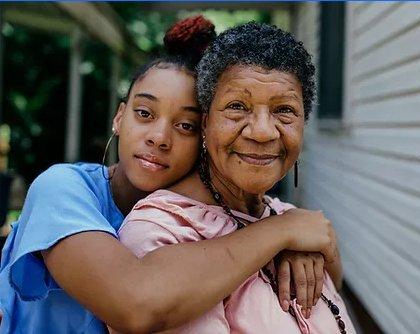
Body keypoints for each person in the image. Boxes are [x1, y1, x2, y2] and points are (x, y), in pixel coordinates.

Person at [0, 17, 340, 333]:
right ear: (120, 117)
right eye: (145, 113)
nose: (159, 137)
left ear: (205, 134)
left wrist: (296, 242)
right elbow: (133, 302)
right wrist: (283, 230)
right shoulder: (61, 189)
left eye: (185, 125)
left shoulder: (212, 218)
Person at [118, 22, 352, 333]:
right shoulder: (162, 231)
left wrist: (304, 238)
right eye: (237, 107)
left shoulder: (292, 221)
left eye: (284, 110)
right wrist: (283, 232)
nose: (262, 132)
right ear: (206, 124)